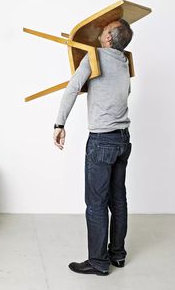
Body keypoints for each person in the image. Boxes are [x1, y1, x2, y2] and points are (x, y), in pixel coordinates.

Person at [53, 19, 133, 276]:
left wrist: (59, 123)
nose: (100, 31)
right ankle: (117, 255)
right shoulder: (124, 61)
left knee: (96, 204)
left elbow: (71, 89)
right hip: (123, 139)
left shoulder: (94, 56)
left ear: (109, 38)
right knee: (118, 199)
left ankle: (99, 262)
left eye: (105, 29)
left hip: (102, 141)